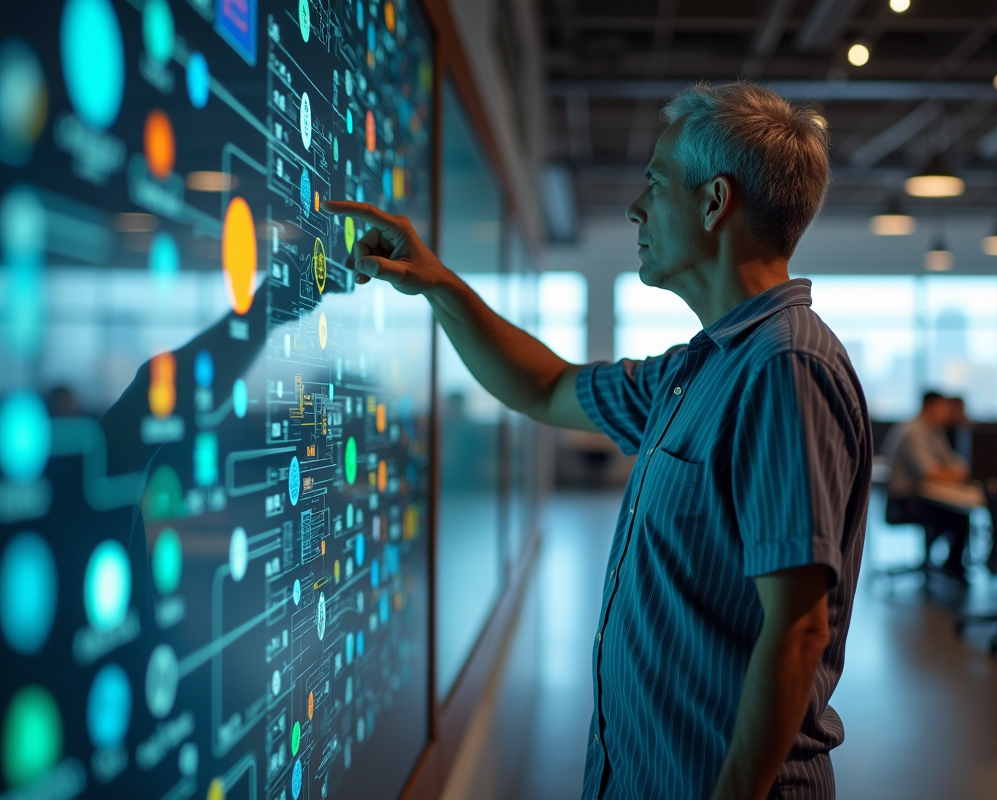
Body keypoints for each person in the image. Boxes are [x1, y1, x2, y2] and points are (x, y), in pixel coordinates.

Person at [324, 81, 871, 800]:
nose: (636, 208)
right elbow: (545, 387)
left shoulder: (784, 367)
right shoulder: (695, 369)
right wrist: (439, 286)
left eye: (654, 183)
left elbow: (798, 630)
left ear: (714, 202)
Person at [882, 391, 972, 582]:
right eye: (944, 408)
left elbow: (951, 462)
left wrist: (963, 470)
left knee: (957, 514)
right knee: (959, 518)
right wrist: (959, 474)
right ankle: (951, 565)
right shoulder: (913, 431)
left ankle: (941, 563)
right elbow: (928, 472)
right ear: (930, 407)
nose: (947, 414)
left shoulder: (934, 430)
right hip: (904, 501)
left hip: (924, 496)